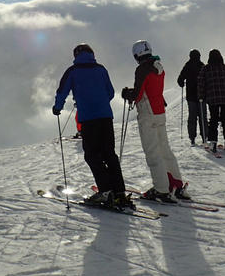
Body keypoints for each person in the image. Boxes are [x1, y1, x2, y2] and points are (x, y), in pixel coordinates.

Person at [53, 44, 130, 209]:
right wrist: (99, 101)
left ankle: (105, 191)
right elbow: (110, 92)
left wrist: (57, 108)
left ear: (76, 55)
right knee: (109, 154)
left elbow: (62, 91)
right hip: (105, 116)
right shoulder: (101, 69)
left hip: (88, 119)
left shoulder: (72, 71)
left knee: (92, 155)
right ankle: (119, 192)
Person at [121, 40, 190, 202]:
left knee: (152, 152)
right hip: (160, 111)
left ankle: (161, 189)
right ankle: (176, 184)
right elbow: (150, 89)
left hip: (148, 113)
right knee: (164, 149)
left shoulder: (142, 69)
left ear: (137, 55)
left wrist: (127, 94)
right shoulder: (159, 66)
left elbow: (137, 95)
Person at [197, 50, 225, 153]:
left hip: (213, 98)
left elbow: (201, 83)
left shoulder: (206, 69)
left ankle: (213, 143)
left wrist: (201, 96)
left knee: (214, 119)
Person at [177, 49, 204, 145]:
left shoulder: (187, 66)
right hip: (202, 95)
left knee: (192, 117)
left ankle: (192, 137)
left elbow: (180, 79)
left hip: (191, 96)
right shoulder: (202, 65)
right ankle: (205, 137)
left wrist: (182, 83)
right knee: (202, 116)